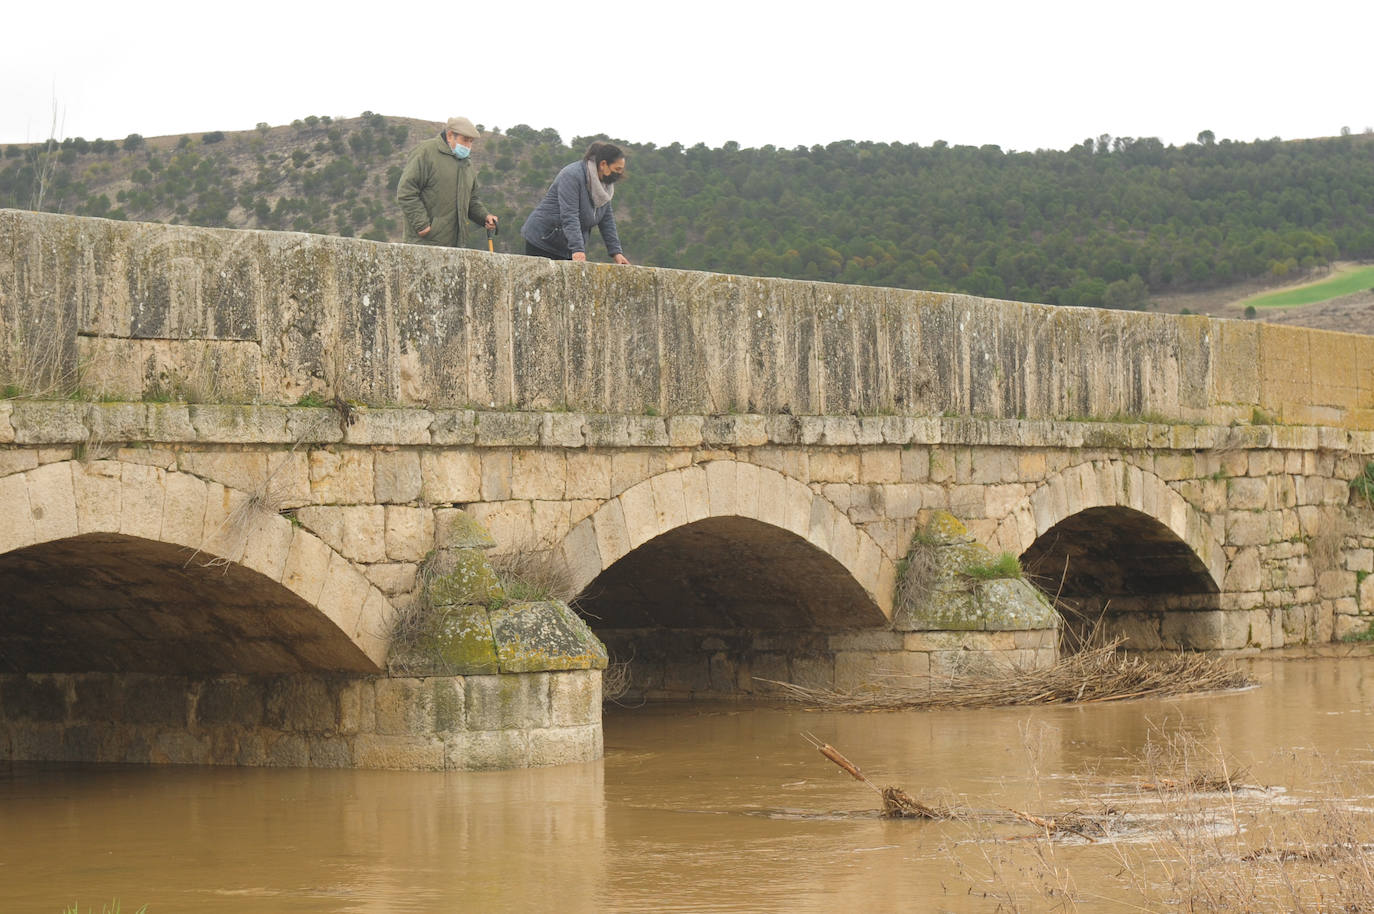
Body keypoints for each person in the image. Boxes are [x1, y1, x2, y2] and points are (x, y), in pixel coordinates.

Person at [521, 142, 631, 264]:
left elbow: (607, 220)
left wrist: (616, 252)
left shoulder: (605, 187)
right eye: (617, 169)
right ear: (603, 164)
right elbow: (569, 215)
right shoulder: (572, 175)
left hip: (566, 245)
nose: (620, 174)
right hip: (543, 240)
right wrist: (578, 249)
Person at [396, 116, 497, 247]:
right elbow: (406, 191)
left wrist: (485, 217)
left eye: (471, 142)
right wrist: (422, 225)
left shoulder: (467, 165)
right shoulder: (426, 152)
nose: (468, 146)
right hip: (424, 244)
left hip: (456, 246)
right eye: (464, 140)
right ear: (450, 135)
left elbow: (471, 200)